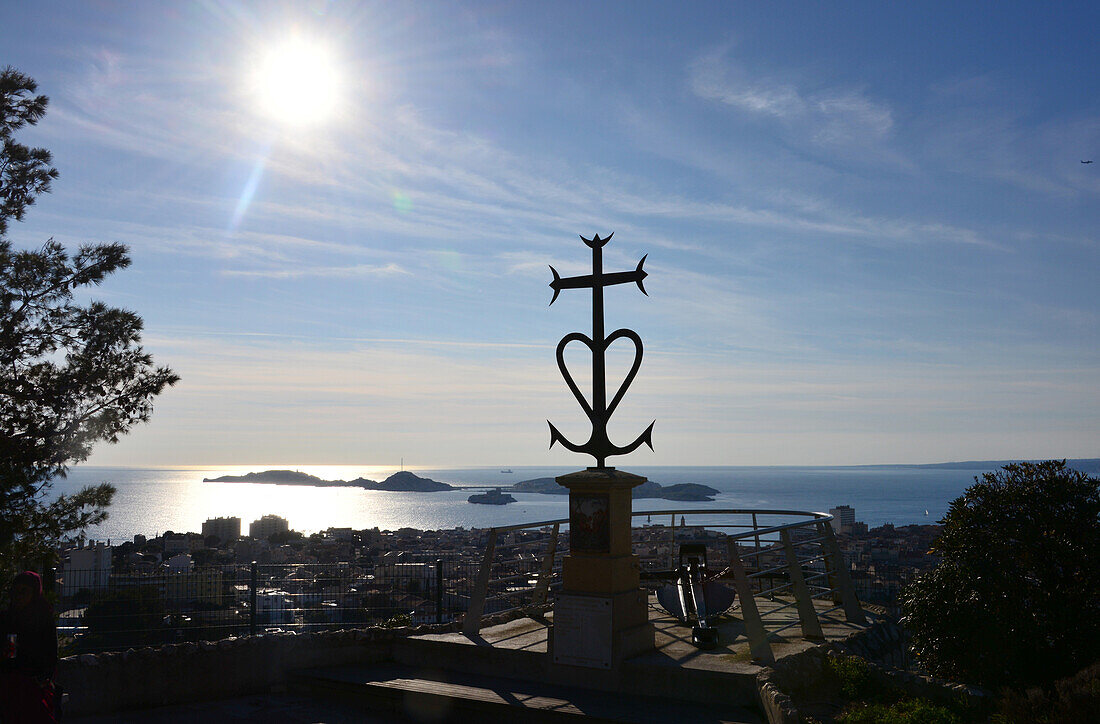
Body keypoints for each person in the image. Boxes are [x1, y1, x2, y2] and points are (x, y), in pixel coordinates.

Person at [1, 571, 59, 723]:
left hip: (35, 682)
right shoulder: (8, 618)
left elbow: (50, 656)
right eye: (15, 591)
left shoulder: (43, 620)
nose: (18, 596)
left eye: (24, 591)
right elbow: (9, 655)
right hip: (11, 680)